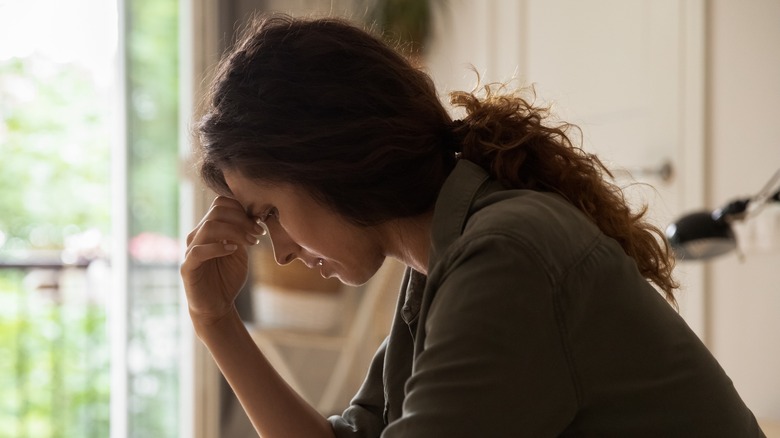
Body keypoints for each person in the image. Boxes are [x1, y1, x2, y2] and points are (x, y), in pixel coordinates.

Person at [181, 13, 765, 437]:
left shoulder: (505, 256)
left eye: (271, 214)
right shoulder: (440, 266)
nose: (277, 252)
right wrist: (216, 322)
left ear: (329, 162)